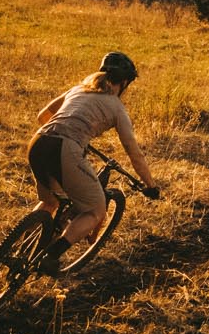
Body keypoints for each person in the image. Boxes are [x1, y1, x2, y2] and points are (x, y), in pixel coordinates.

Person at [28, 51, 160, 270]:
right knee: (95, 210)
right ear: (125, 82)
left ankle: (20, 245)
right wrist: (151, 185)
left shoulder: (79, 89)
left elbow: (43, 116)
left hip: (39, 141)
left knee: (50, 202)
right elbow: (133, 151)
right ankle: (50, 256)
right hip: (65, 148)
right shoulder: (117, 107)